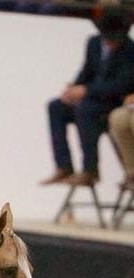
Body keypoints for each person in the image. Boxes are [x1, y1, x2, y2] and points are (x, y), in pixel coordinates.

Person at [39, 6, 134, 191]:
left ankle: (90, 170)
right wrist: (73, 89)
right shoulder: (94, 43)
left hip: (111, 103)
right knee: (56, 107)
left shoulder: (130, 50)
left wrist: (86, 91)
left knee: (86, 109)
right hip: (90, 99)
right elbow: (86, 71)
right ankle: (63, 166)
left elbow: (121, 86)